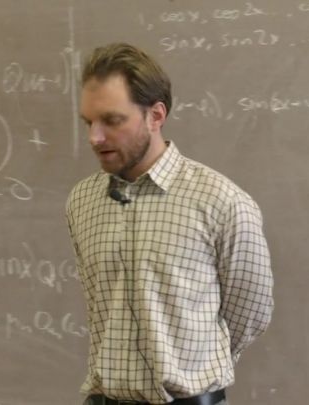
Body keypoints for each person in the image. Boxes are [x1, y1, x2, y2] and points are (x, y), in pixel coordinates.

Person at [66, 42, 274, 405]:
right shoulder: (82, 201)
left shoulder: (221, 201)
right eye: (89, 122)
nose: (94, 137)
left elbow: (249, 313)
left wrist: (195, 366)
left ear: (155, 116)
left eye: (112, 120)